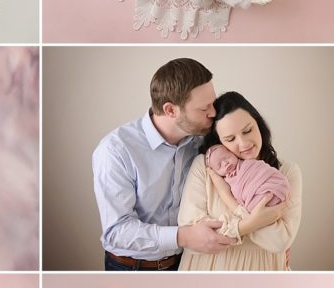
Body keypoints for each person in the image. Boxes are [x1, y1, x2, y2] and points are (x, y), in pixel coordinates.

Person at [93, 58, 235, 270]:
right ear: (170, 110)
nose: (213, 113)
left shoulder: (203, 140)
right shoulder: (115, 150)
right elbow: (117, 231)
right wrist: (183, 237)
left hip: (187, 263)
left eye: (212, 103)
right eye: (204, 108)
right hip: (131, 268)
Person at [179, 91, 302, 270]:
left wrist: (233, 219)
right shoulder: (207, 168)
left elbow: (279, 242)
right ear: (219, 142)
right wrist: (250, 222)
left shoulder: (286, 172)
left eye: (248, 130)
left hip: (262, 273)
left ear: (258, 124)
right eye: (230, 139)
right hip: (208, 271)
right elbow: (192, 238)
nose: (244, 143)